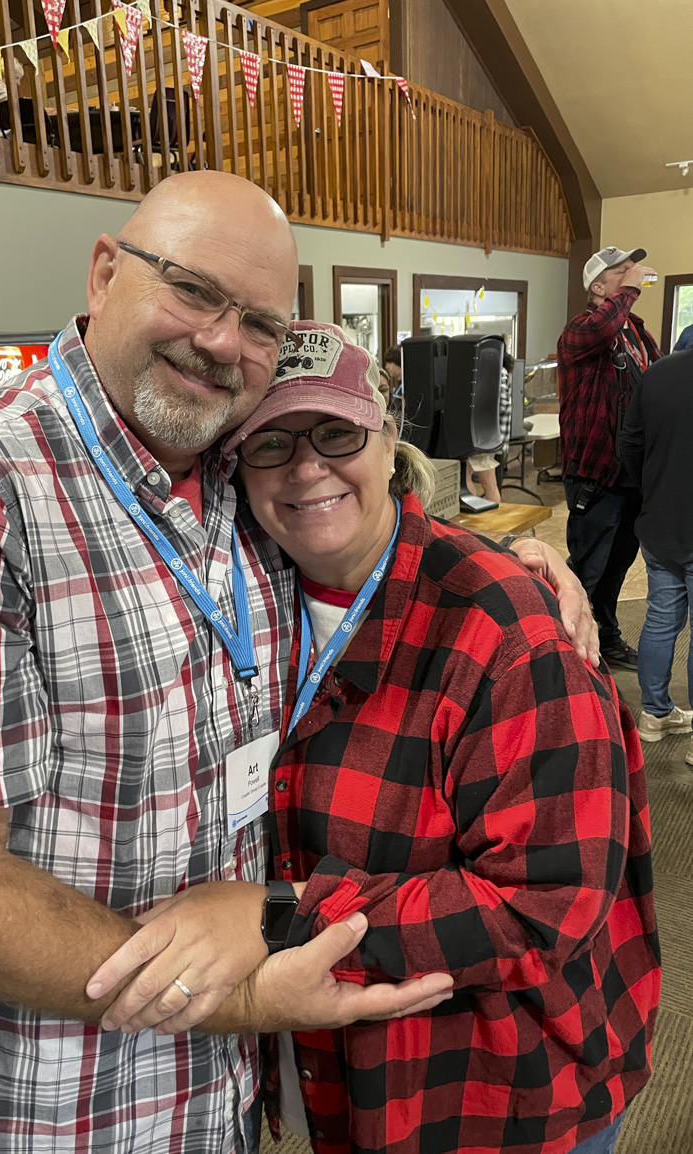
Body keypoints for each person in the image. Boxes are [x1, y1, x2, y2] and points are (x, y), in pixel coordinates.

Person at [0, 171, 596, 1154]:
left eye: (260, 322)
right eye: (191, 289)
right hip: (65, 1105)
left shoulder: (228, 480)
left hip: (222, 1091)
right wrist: (239, 987)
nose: (223, 339)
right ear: (104, 271)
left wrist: (513, 567)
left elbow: (352, 524)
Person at [94, 323, 660, 1154]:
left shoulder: (509, 633)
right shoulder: (248, 595)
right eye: (270, 443)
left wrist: (274, 918)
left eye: (336, 433)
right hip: (351, 1075)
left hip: (501, 1089)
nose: (306, 466)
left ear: (389, 445)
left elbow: (547, 902)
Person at [557, 245, 662, 672]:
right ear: (598, 286)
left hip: (630, 476)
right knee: (587, 570)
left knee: (616, 567)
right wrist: (629, 291)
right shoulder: (581, 330)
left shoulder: (635, 332)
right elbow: (601, 328)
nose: (631, 276)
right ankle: (566, 651)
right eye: (621, 272)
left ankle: (605, 635)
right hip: (594, 473)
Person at [619, 345, 693, 761]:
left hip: (659, 520)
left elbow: (628, 444)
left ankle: (654, 715)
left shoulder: (657, 373)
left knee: (661, 618)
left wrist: (651, 488)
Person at [465, 349, 513, 504]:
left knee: (478, 481)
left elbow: (502, 405)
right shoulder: (499, 372)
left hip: (485, 437)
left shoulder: (497, 373)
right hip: (488, 436)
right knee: (486, 482)